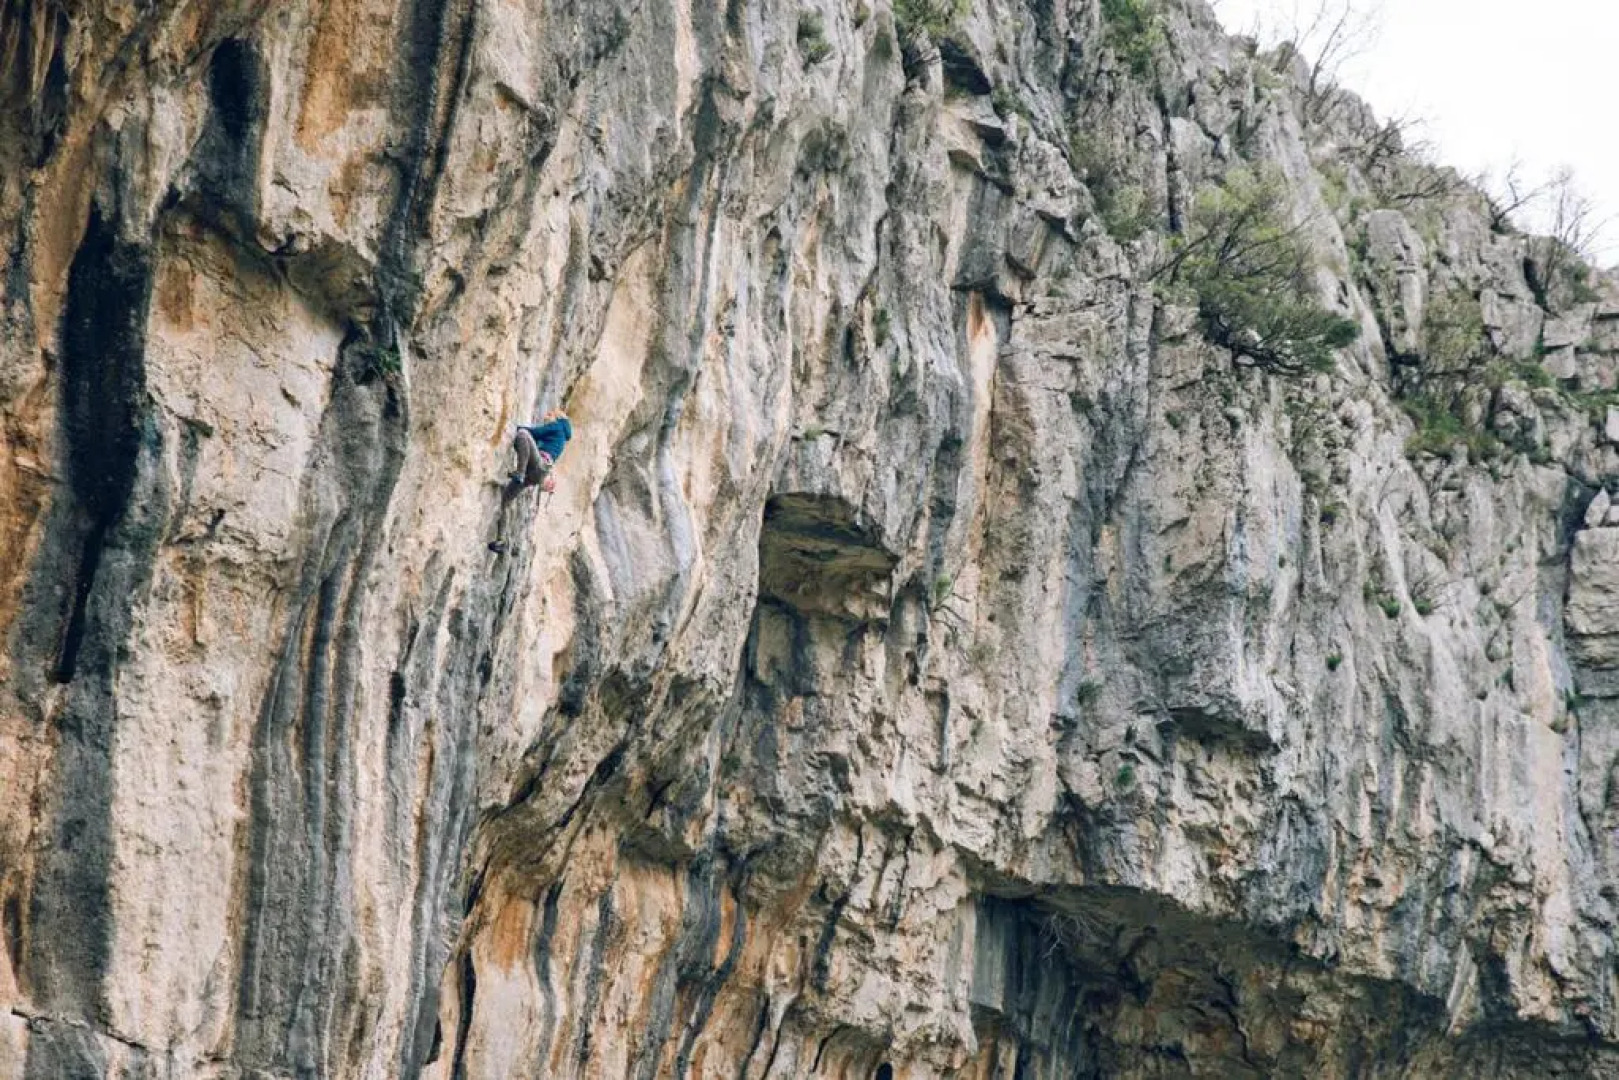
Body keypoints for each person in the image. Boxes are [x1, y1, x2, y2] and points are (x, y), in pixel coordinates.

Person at [509, 410, 572, 490]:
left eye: (549, 415)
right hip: (540, 474)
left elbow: (535, 432)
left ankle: (520, 472)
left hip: (539, 464)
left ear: (557, 417)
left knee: (523, 434)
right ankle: (520, 476)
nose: (545, 418)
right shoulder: (562, 437)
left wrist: (514, 428)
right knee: (509, 494)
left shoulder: (558, 426)